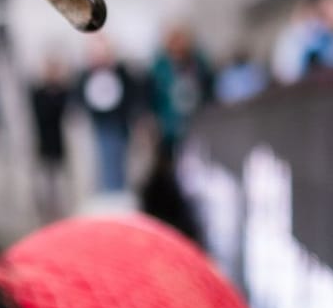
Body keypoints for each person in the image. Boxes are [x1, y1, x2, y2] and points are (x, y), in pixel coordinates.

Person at [78, 35, 137, 195]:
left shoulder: (120, 71)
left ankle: (118, 193)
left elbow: (131, 94)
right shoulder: (87, 74)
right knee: (104, 163)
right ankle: (109, 193)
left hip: (119, 123)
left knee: (119, 162)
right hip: (100, 123)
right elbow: (81, 97)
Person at [148, 24, 214, 146]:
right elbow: (153, 96)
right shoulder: (160, 66)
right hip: (169, 123)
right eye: (175, 41)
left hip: (196, 120)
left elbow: (208, 89)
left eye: (181, 40)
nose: (179, 45)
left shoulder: (198, 63)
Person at [28, 58, 71, 222]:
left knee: (59, 182)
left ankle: (58, 212)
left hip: (58, 143)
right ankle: (45, 213)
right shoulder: (38, 93)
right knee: (44, 182)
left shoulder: (62, 93)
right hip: (42, 143)